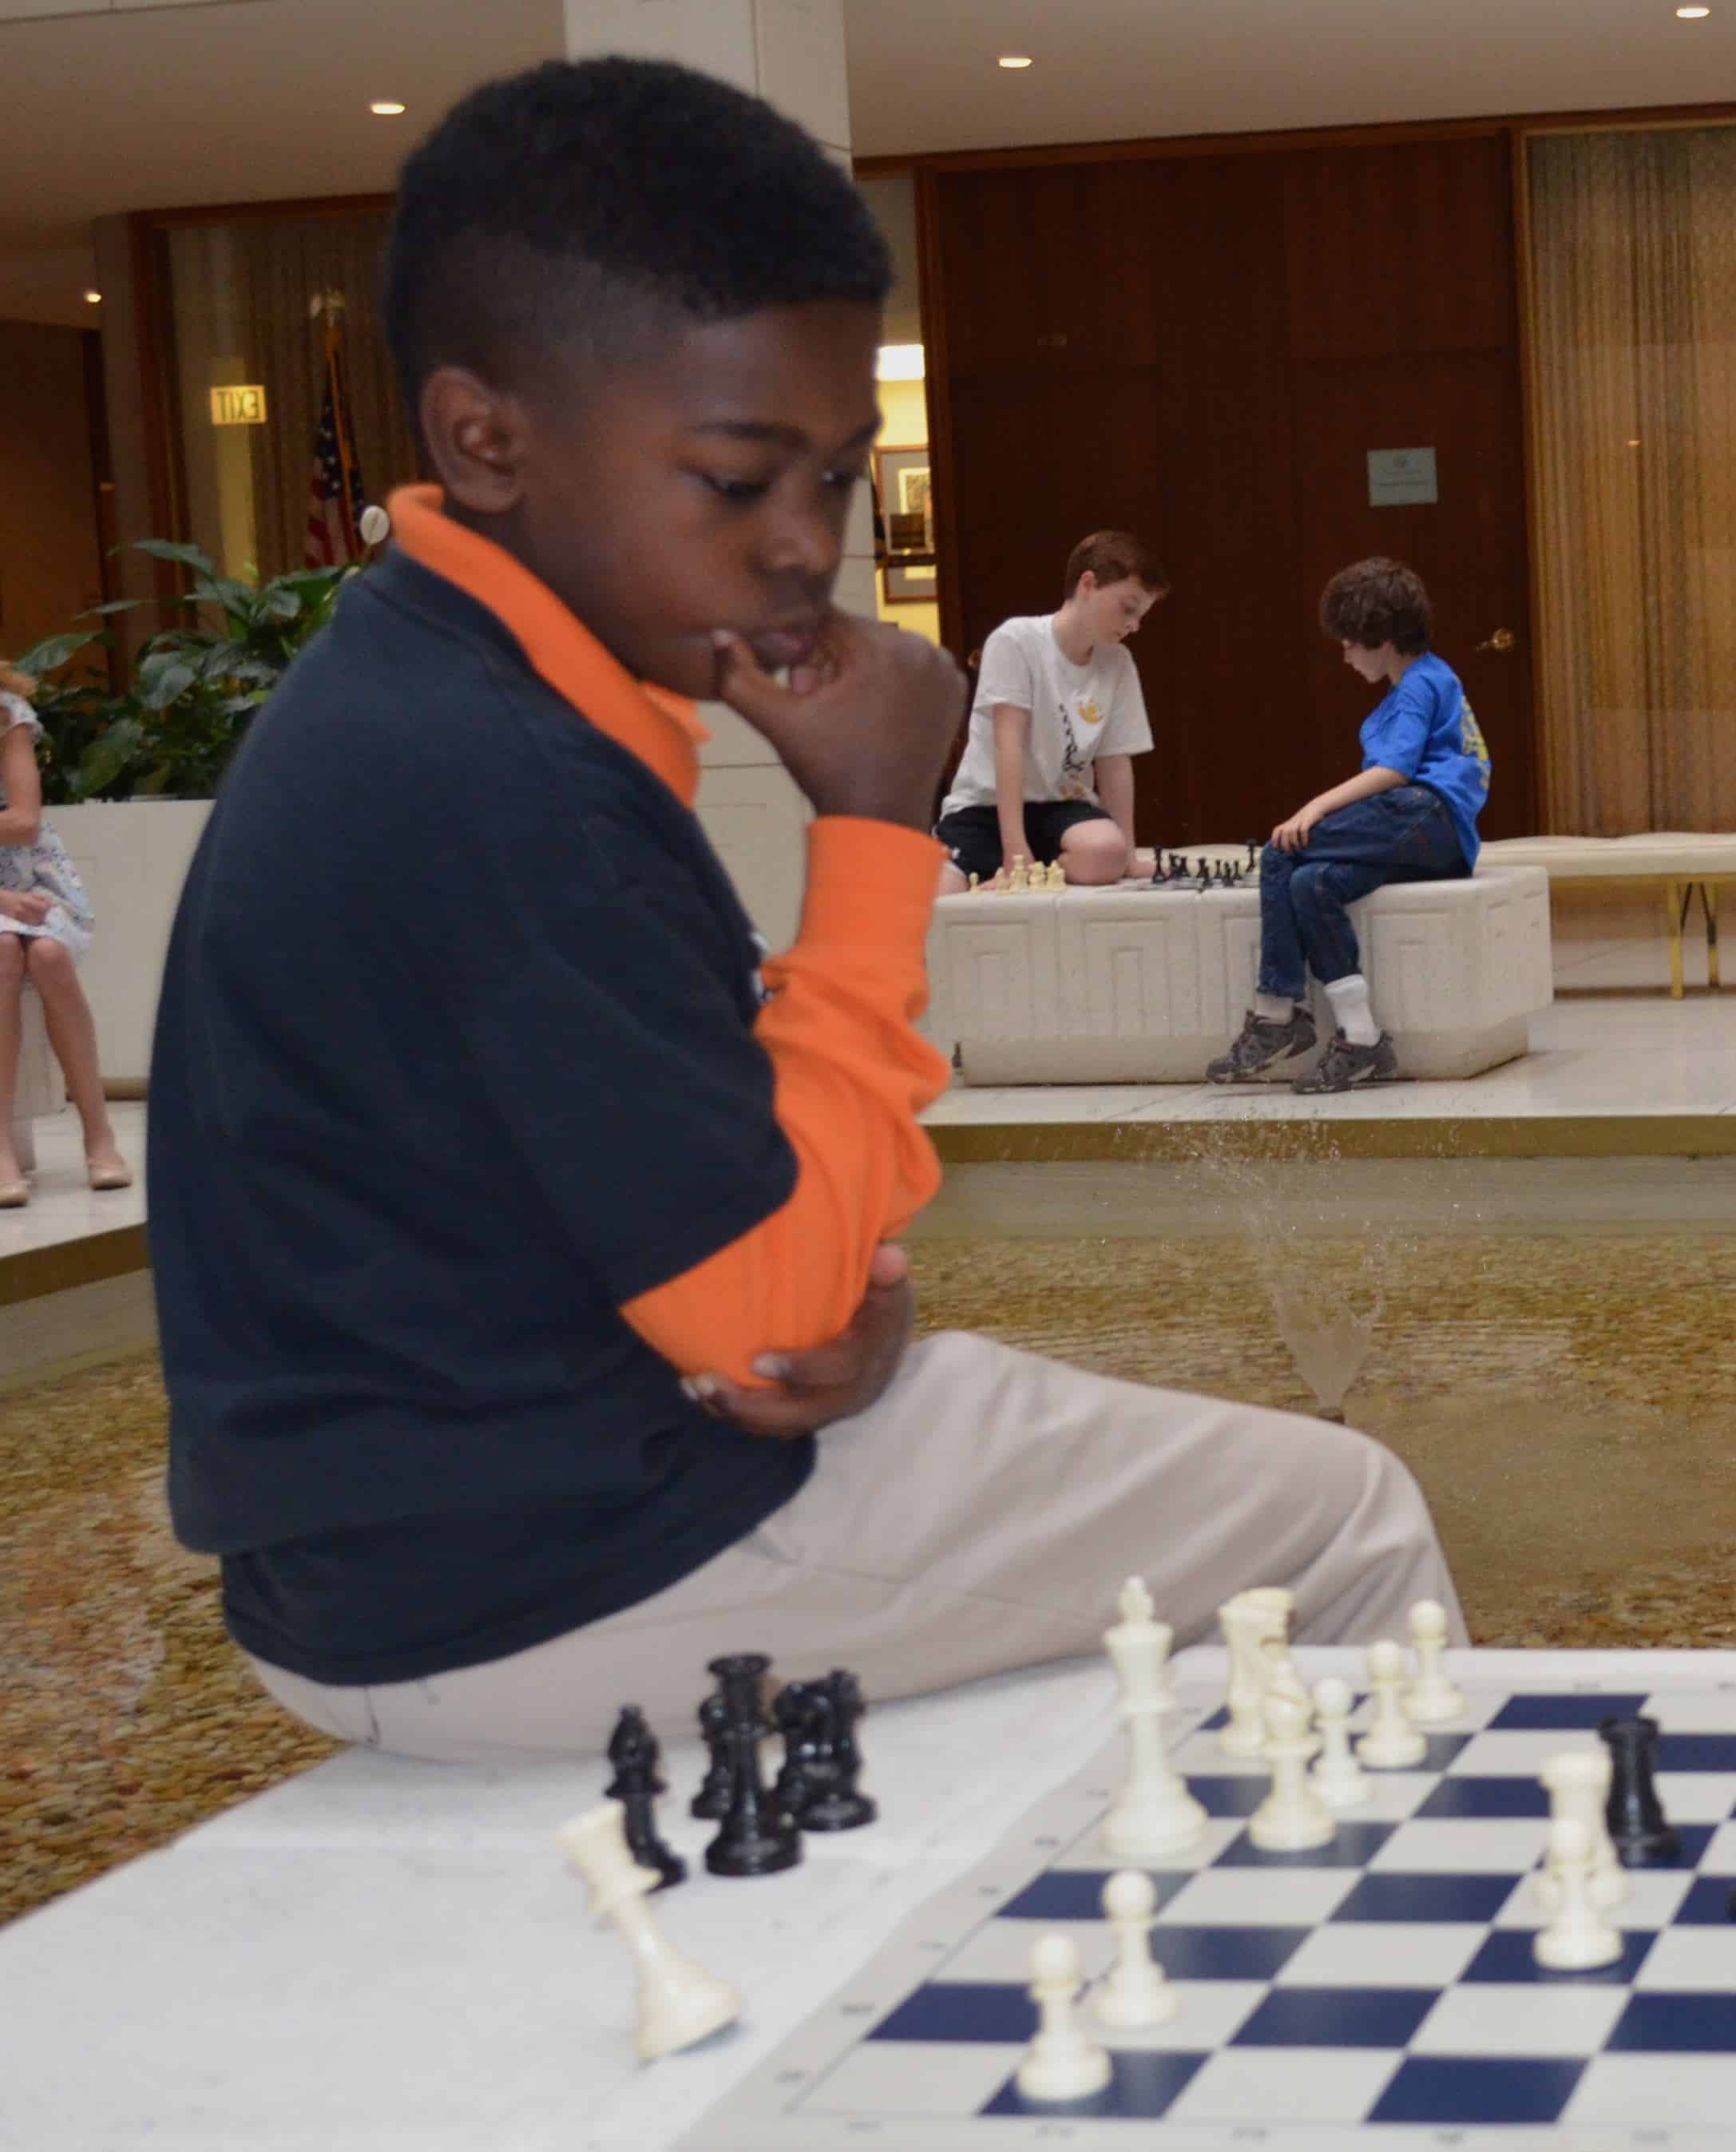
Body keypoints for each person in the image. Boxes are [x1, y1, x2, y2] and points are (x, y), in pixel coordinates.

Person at [146, 59, 1464, 1762]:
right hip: (546, 1565)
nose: (798, 549)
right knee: (1342, 1517)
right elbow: (771, 1306)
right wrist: (867, 824)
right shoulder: (497, 771)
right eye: (731, 475)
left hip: (444, 1532)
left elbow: (744, 1228)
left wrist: (837, 1278)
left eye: (830, 480)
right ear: (488, 435)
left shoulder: (439, 690)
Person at [1210, 557, 1490, 1095]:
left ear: (1379, 638)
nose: (1343, 654)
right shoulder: (1434, 676)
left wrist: (1314, 808)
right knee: (1309, 884)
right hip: (1441, 840)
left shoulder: (1414, 688)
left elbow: (1395, 771)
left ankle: (1275, 1015)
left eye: (1348, 642)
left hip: (1426, 815)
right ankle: (1362, 1039)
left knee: (1280, 851)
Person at [933, 531, 1165, 894]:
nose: (1134, 625)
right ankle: (1001, 862)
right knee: (932, 893)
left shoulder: (1118, 662)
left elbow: (1114, 761)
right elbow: (1006, 748)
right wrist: (1014, 852)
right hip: (987, 809)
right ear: (1088, 583)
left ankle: (1038, 867)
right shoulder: (1015, 640)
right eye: (1128, 608)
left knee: (1106, 853)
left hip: (1062, 809)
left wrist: (1129, 857)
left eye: (1141, 616)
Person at [0, 664, 131, 1205]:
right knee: (2, 950)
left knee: (50, 953)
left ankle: (99, 1135)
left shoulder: (6, 713)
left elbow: (25, 822)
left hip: (31, 873)